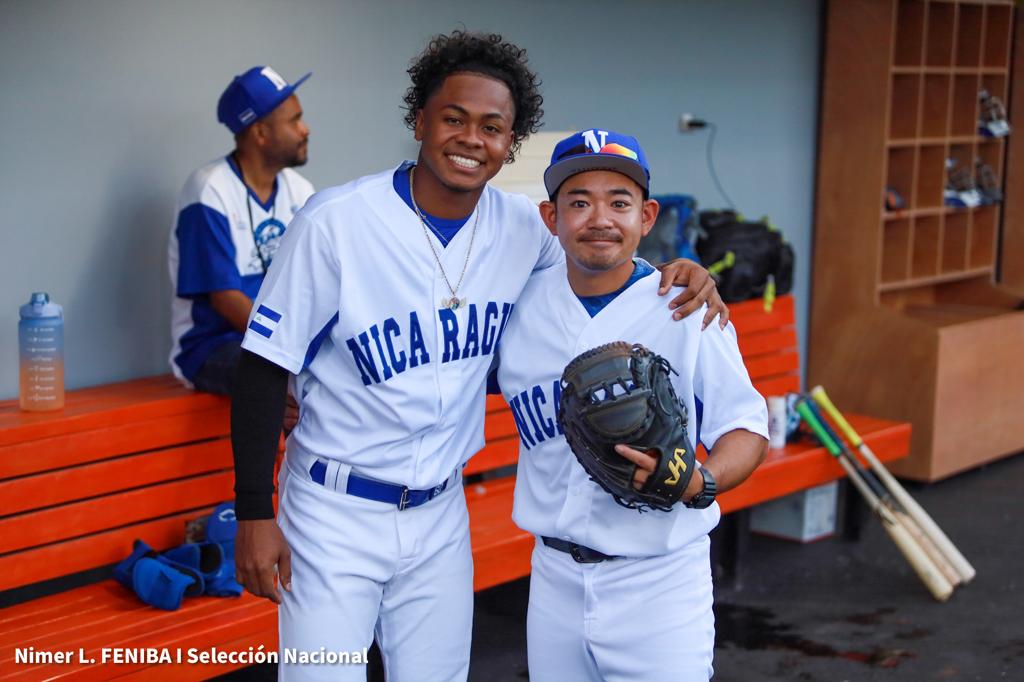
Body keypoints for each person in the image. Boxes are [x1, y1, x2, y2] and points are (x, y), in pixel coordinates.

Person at [230, 32, 727, 682]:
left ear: (509, 143)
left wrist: (677, 272)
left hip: (441, 512)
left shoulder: (522, 228)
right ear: (420, 121)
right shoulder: (335, 223)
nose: (471, 139)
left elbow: (599, 262)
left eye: (492, 127)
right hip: (334, 509)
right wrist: (253, 511)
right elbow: (263, 367)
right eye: (453, 119)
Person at [495, 129, 769, 681]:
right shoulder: (516, 308)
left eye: (619, 203)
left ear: (647, 217)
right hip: (552, 578)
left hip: (658, 583)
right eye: (579, 203)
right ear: (551, 218)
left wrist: (700, 481)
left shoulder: (686, 307)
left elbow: (745, 427)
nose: (600, 219)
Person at [168, 65, 314, 395]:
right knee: (283, 376)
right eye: (294, 121)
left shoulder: (300, 190)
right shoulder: (209, 190)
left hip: (279, 341)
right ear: (260, 133)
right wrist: (290, 348)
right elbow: (226, 299)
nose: (305, 129)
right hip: (213, 345)